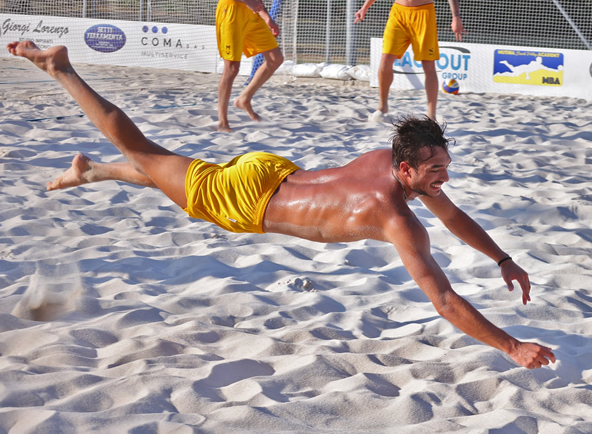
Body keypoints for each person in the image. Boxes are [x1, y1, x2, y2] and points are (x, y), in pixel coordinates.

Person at [6, 41, 555, 370]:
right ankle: (63, 70)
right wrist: (510, 346)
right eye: (436, 170)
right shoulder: (397, 218)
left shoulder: (385, 161)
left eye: (446, 168)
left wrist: (502, 259)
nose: (445, 178)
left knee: (178, 176)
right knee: (147, 154)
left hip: (270, 169)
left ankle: (92, 171)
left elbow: (455, 216)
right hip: (247, 200)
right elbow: (445, 301)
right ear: (407, 170)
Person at [354, 0, 466, 122]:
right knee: (385, 60)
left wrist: (456, 17)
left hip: (424, 14)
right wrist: (365, 6)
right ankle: (382, 106)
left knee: (428, 66)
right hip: (398, 13)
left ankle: (431, 114)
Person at [210, 0, 284, 131]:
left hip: (250, 10)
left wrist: (266, 17)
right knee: (232, 68)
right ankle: (222, 122)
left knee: (276, 59)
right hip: (231, 10)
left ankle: (244, 99)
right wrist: (246, 0)